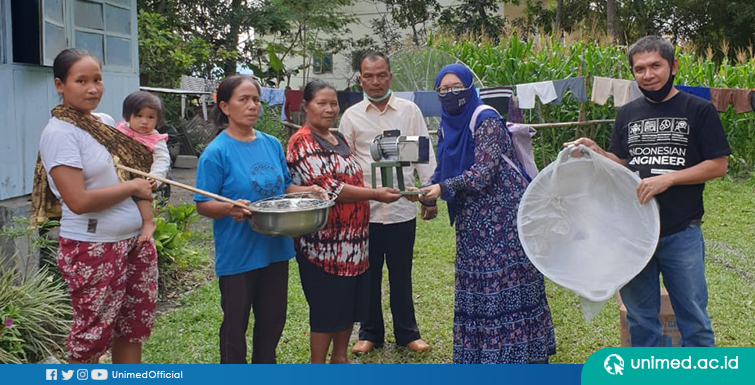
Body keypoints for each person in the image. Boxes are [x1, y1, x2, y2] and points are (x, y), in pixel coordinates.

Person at [565, 36, 730, 347]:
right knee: (640, 319)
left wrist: (668, 179)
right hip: (632, 232)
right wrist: (594, 150)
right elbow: (621, 164)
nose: (648, 74)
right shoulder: (627, 113)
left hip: (680, 231)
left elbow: (718, 165)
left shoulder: (698, 109)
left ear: (673, 66)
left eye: (656, 65)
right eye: (639, 69)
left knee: (693, 317)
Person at [420, 64, 557, 364]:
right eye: (443, 89)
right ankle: (484, 356)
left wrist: (443, 188)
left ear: (469, 89)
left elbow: (483, 174)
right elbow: (444, 166)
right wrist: (428, 189)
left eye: (456, 87)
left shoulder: (487, 120)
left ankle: (517, 355)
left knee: (505, 283)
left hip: (502, 221)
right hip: (471, 221)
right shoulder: (446, 125)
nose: (449, 94)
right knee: (477, 284)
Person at [32, 48, 158, 364]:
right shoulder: (59, 134)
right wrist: (133, 186)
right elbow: (78, 201)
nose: (92, 89)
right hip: (94, 247)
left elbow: (131, 167)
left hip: (135, 241)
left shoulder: (102, 123)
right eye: (81, 81)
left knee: (132, 328)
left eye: (98, 80)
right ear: (60, 85)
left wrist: (144, 210)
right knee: (91, 338)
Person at [194, 75, 323, 364]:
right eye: (244, 100)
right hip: (239, 252)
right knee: (235, 325)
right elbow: (203, 204)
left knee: (273, 320)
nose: (253, 106)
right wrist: (229, 209)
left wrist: (307, 191)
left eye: (256, 99)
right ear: (225, 107)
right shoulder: (216, 153)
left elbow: (284, 189)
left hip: (275, 248)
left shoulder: (271, 144)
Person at [286, 79, 402, 364]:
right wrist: (376, 194)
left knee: (348, 308)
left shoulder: (340, 139)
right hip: (323, 245)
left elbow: (354, 175)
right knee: (326, 311)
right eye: (321, 103)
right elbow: (331, 187)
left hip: (355, 243)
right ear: (306, 106)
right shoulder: (301, 141)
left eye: (333, 103)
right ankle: (318, 368)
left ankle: (340, 360)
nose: (329, 109)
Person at [339, 52, 436, 354]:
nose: (376, 81)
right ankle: (370, 334)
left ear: (390, 76)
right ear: (360, 79)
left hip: (401, 209)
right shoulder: (351, 116)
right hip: (363, 212)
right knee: (367, 275)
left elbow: (423, 154)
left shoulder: (409, 111)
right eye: (369, 76)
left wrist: (429, 195)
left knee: (401, 274)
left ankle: (408, 333)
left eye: (381, 75)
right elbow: (344, 163)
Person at [114, 91, 171, 243]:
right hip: (118, 175)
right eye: (139, 116)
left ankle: (148, 221)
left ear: (157, 119)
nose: (144, 122)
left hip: (141, 175)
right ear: (128, 116)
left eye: (150, 117)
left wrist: (155, 177)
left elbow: (162, 160)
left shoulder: (156, 139)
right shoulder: (120, 131)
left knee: (143, 193)